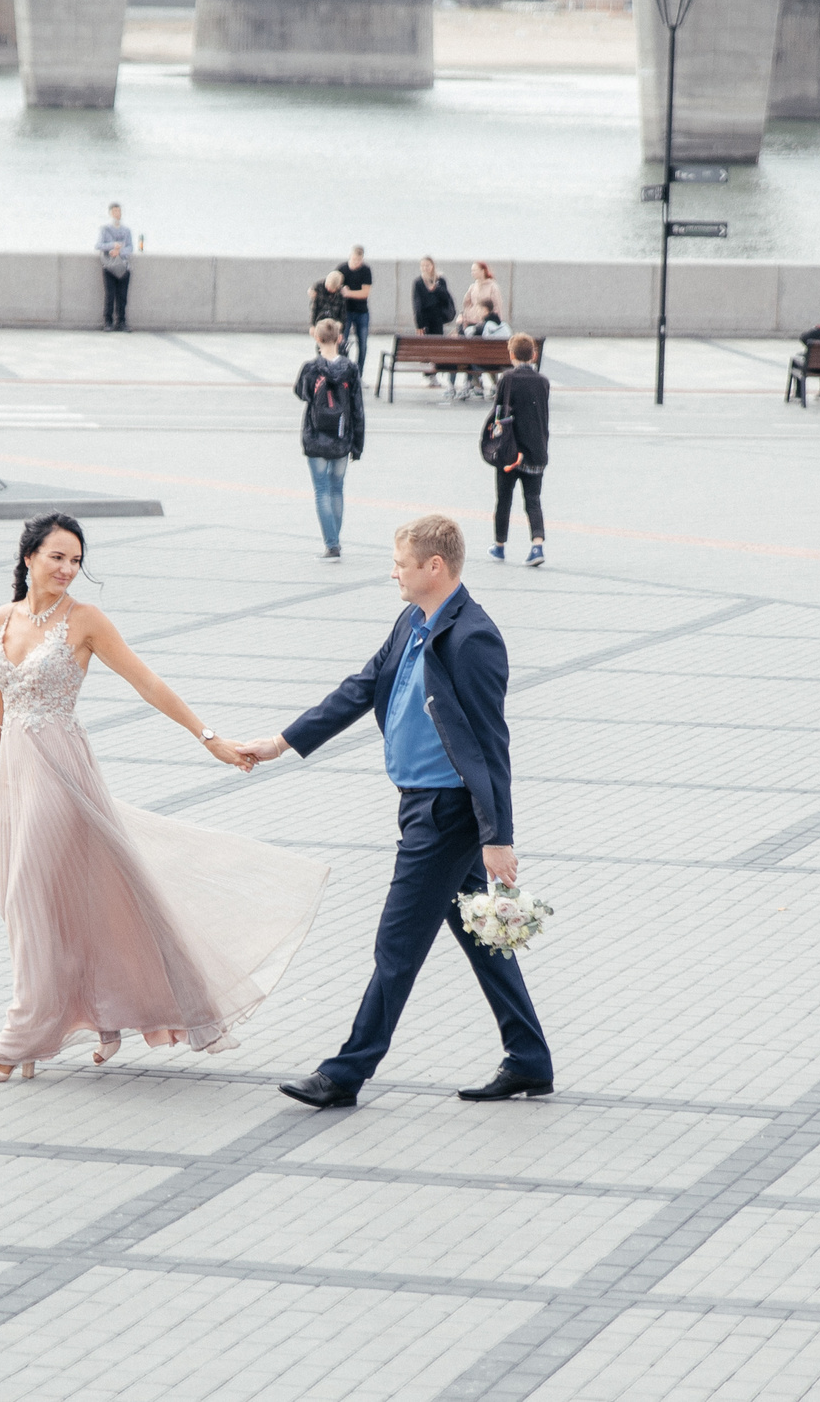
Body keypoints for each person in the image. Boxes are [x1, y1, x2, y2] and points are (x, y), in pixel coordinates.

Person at [0, 514, 330, 1083]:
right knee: (30, 907)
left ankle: (18, 1039)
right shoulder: (1, 618)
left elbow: (148, 683)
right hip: (14, 778)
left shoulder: (85, 621)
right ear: (29, 557)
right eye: (58, 557)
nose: (68, 569)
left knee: (30, 896)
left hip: (61, 774)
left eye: (77, 560)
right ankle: (75, 1022)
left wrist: (208, 738)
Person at [239, 515, 554, 1110]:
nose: (393, 572)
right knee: (480, 934)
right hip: (419, 805)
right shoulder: (414, 619)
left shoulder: (473, 638)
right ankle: (530, 1059)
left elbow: (492, 744)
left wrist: (497, 836)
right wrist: (281, 742)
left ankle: (346, 1073)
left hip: (447, 814)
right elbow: (362, 687)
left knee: (396, 946)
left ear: (435, 568)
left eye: (400, 564)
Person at [296, 318, 364, 560]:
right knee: (337, 489)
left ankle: (332, 544)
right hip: (341, 437)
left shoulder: (310, 368)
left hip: (315, 437)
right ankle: (334, 541)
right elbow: (357, 409)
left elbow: (301, 393)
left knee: (321, 490)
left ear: (317, 338)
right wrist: (357, 445)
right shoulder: (351, 369)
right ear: (340, 338)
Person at [487, 333, 549, 568]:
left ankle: (500, 546)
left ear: (511, 355)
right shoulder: (543, 381)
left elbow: (498, 412)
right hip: (536, 450)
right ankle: (537, 545)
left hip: (510, 451)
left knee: (504, 499)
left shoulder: (507, 379)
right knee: (533, 499)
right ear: (534, 355)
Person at [454, 262, 505, 402]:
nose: (473, 273)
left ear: (483, 271)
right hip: (474, 325)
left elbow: (497, 308)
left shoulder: (492, 287)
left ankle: (478, 383)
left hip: (485, 327)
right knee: (476, 355)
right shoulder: (473, 287)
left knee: (482, 355)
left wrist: (492, 322)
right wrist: (468, 316)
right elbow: (466, 304)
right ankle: (478, 383)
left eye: (475, 270)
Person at [409, 256, 456, 394]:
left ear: (433, 266)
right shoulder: (418, 282)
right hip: (425, 319)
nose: (425, 268)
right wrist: (419, 324)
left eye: (428, 265)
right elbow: (417, 304)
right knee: (425, 347)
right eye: (423, 266)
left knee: (437, 346)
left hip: (437, 318)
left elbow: (446, 298)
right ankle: (426, 375)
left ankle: (434, 374)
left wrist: (436, 288)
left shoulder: (440, 280)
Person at [98, 204, 135, 332]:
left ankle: (121, 321)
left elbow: (130, 247)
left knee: (122, 296)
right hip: (109, 266)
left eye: (119, 211)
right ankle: (108, 322)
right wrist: (112, 246)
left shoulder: (126, 230)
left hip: (123, 266)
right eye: (114, 211)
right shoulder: (105, 229)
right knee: (109, 295)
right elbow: (99, 245)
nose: (117, 213)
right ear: (110, 213)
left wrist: (120, 252)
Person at [338, 244, 374, 374]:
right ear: (350, 256)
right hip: (345, 312)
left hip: (361, 312)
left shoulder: (365, 270)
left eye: (359, 260)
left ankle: (359, 374)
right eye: (354, 260)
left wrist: (349, 293)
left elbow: (365, 293)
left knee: (363, 344)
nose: (356, 263)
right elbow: (335, 286)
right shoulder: (342, 269)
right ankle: (344, 372)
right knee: (343, 342)